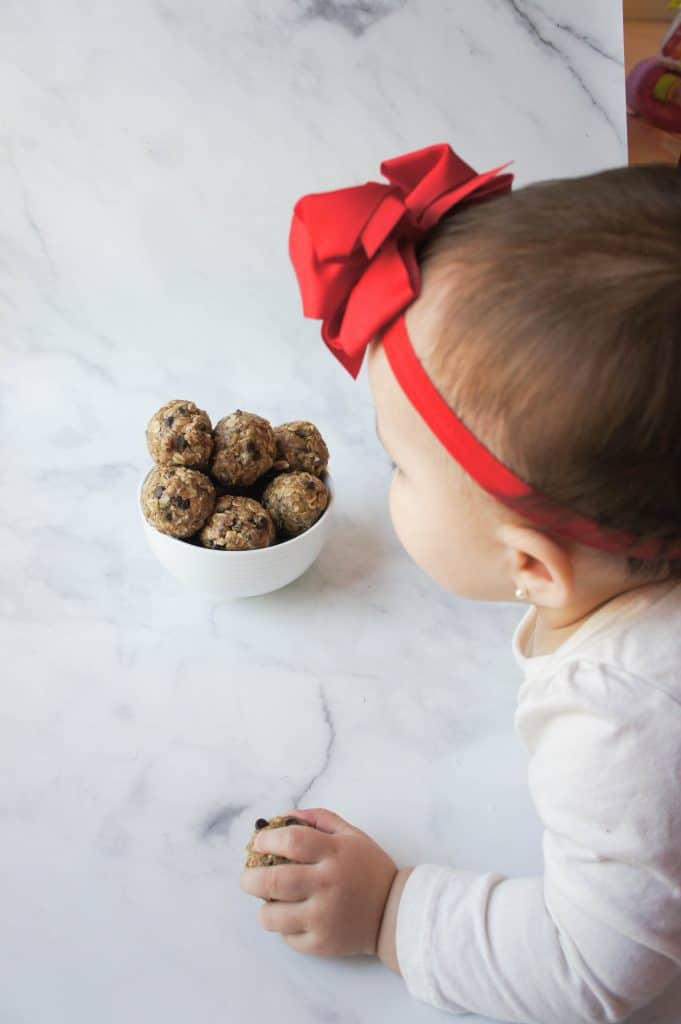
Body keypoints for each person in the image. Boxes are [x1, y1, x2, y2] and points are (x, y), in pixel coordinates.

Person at [239, 144, 681, 1024]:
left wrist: (392, 911)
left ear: (530, 566)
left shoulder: (621, 718)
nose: (384, 477)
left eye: (398, 464)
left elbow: (594, 970)